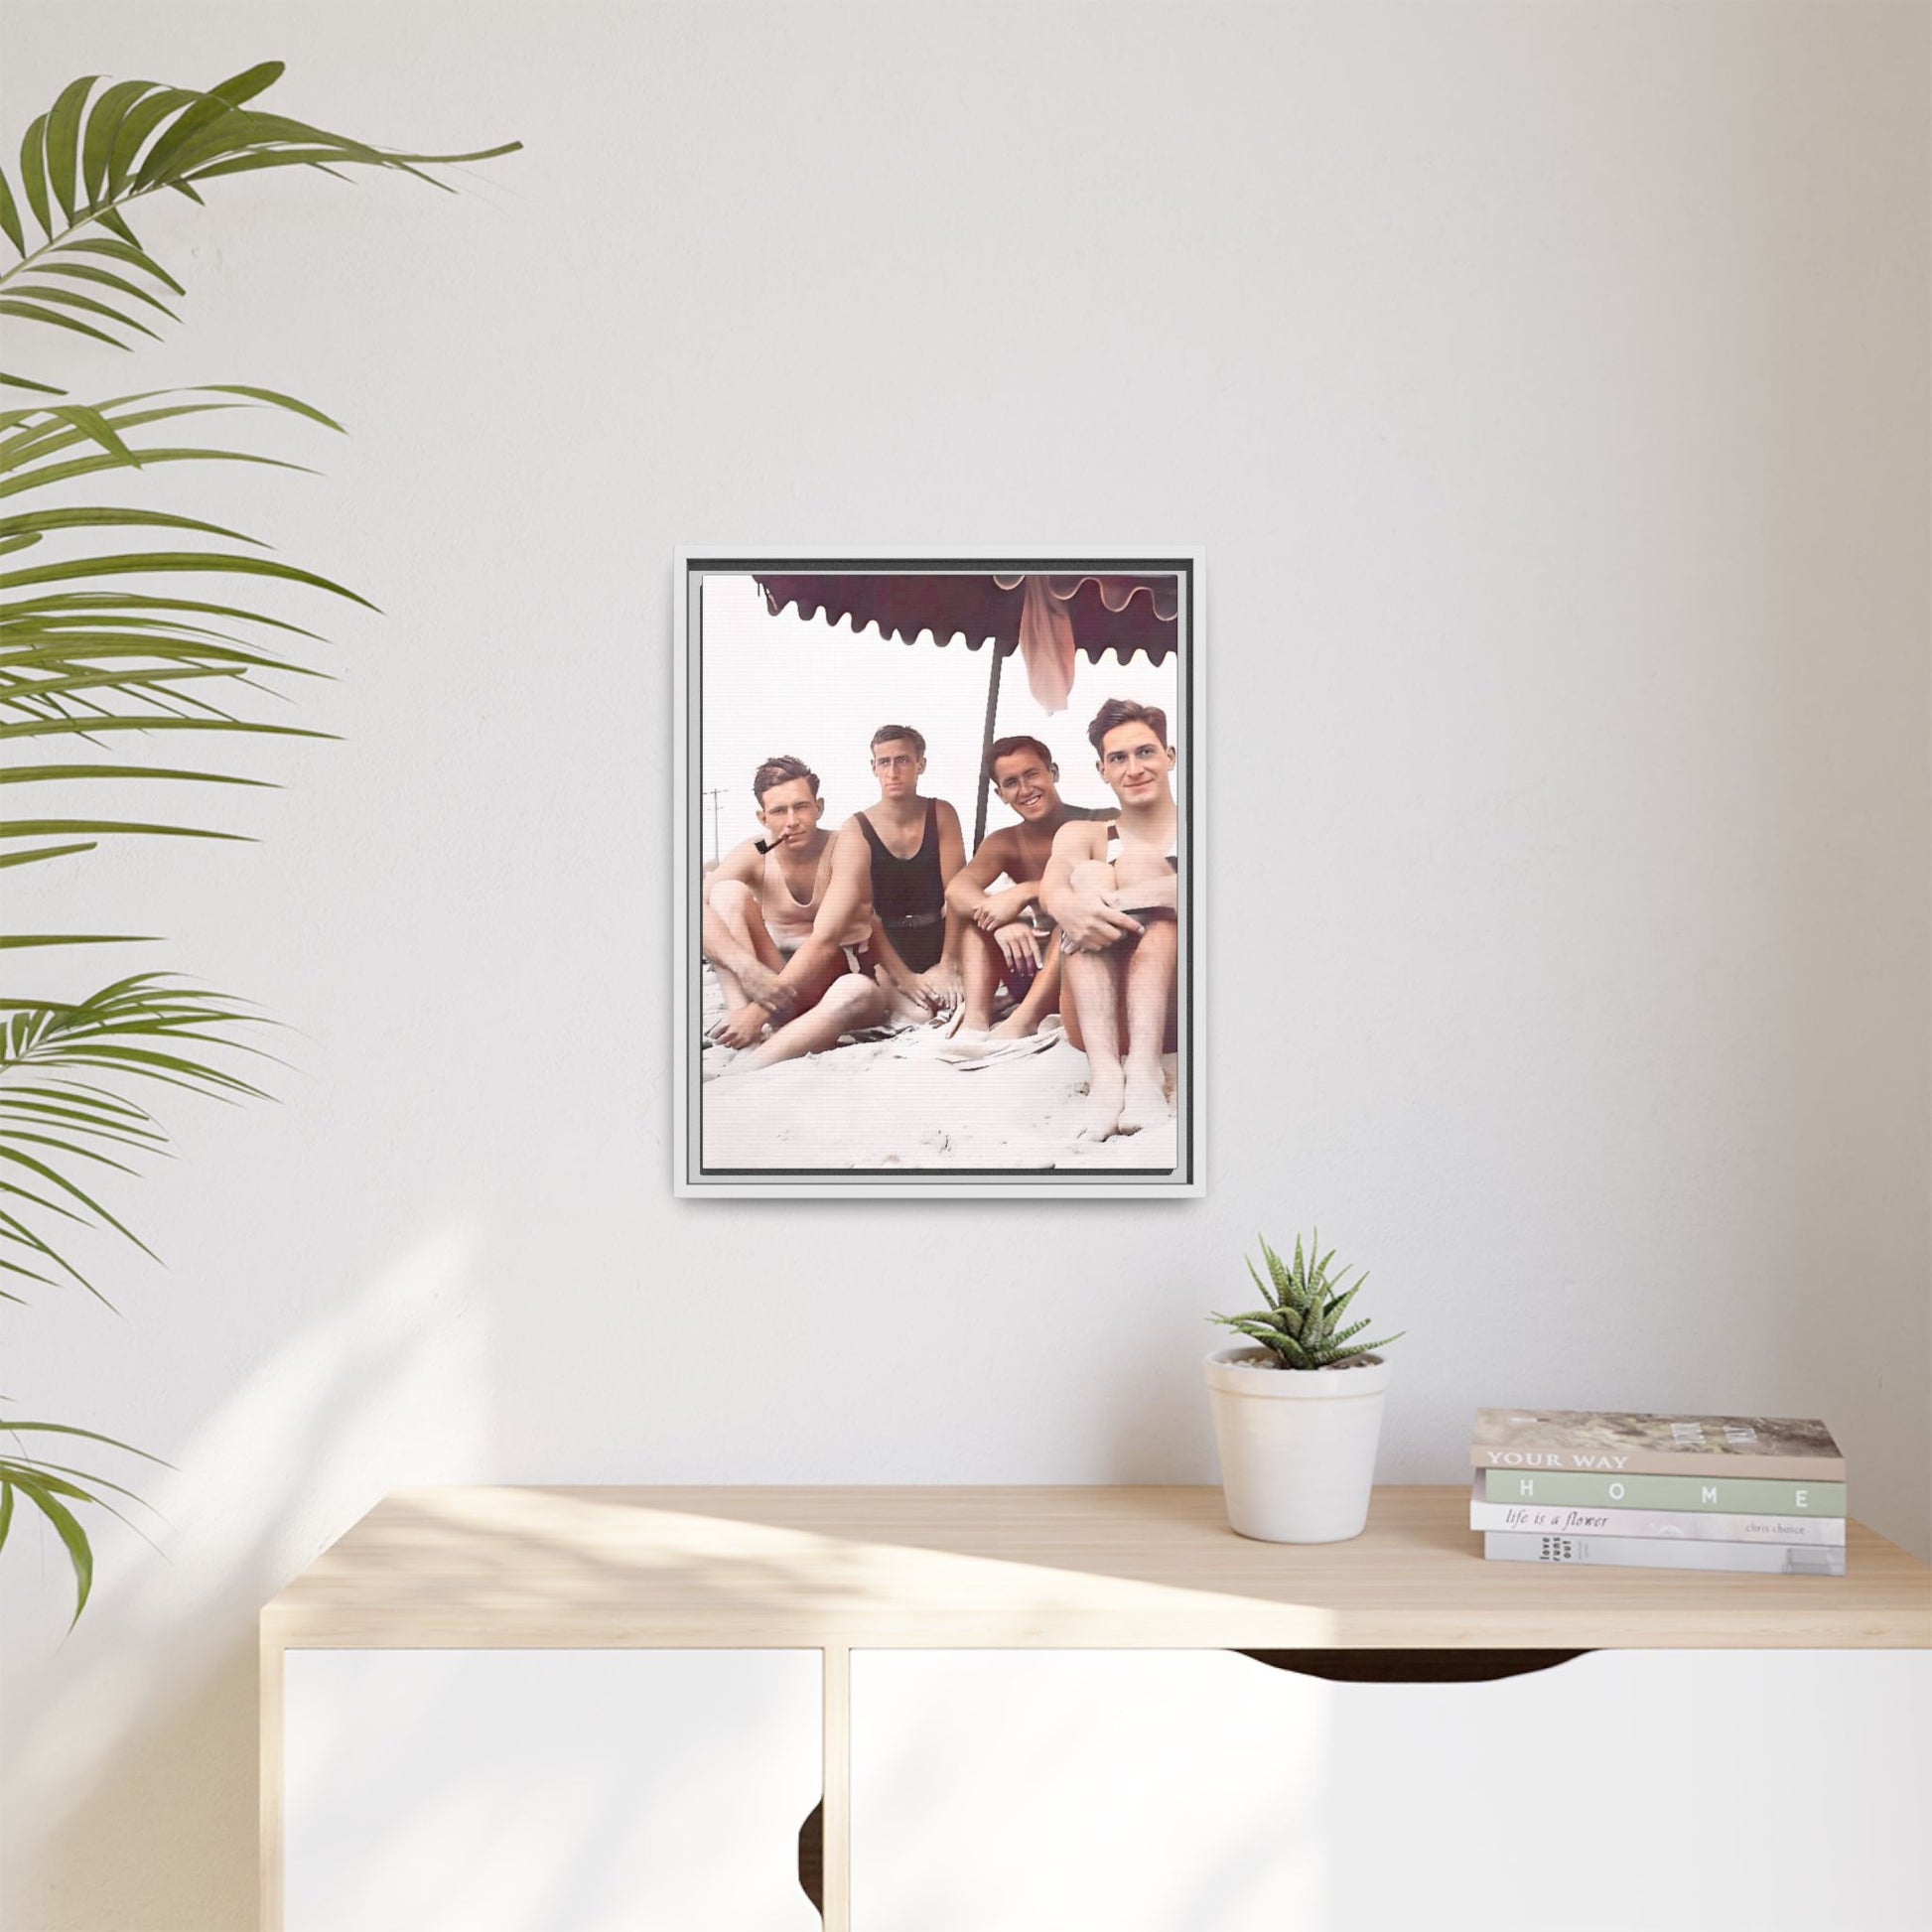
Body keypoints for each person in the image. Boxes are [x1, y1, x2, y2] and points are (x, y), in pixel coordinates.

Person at [1040, 699, 1180, 1140]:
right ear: (1103, 770)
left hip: (1177, 1011)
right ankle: (1107, 1076)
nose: (1133, 768)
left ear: (1170, 756)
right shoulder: (1081, 833)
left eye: (1145, 752)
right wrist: (1074, 905)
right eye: (1118, 758)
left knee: (1136, 865)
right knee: (1088, 872)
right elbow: (1052, 891)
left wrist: (1110, 904)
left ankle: (1144, 1070)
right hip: (1092, 1016)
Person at [700, 755, 889, 1072]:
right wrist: (745, 967)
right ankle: (740, 1026)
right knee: (724, 892)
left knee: (855, 991)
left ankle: (743, 1067)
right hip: (772, 990)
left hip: (838, 990)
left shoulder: (845, 844)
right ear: (763, 818)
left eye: (801, 806)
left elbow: (825, 941)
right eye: (778, 811)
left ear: (819, 806)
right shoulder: (759, 849)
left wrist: (759, 1010)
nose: (791, 821)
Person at [944, 734, 1095, 1039]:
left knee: (1063, 923)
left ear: (1053, 772)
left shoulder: (1097, 822)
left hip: (1082, 962)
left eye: (1032, 774)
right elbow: (957, 889)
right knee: (980, 924)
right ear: (1000, 793)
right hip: (1029, 966)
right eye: (1011, 783)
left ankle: (1025, 1020)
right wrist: (1002, 924)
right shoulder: (1006, 841)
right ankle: (975, 1022)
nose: (1025, 790)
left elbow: (1113, 883)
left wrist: (1025, 890)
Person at [844, 724, 967, 1017]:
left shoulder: (941, 813)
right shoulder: (856, 827)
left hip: (939, 937)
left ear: (920, 764)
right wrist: (903, 977)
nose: (892, 771)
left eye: (902, 760)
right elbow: (864, 911)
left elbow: (957, 894)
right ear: (873, 767)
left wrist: (949, 962)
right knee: (920, 1017)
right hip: (886, 946)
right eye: (884, 762)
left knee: (956, 1002)